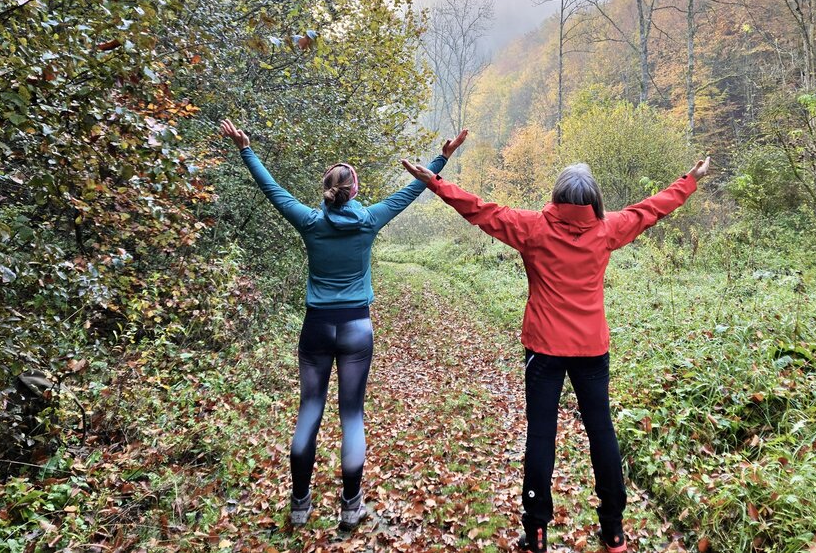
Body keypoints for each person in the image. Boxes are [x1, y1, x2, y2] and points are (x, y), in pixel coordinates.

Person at [401, 156, 712, 552]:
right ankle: (614, 530)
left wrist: (435, 181)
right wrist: (690, 180)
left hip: (544, 347)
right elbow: (650, 210)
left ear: (557, 194)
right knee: (601, 431)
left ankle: (536, 532)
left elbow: (478, 210)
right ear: (594, 199)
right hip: (591, 347)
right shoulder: (607, 228)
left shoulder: (532, 227)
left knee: (541, 434)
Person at [220, 119, 467, 530]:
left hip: (316, 327)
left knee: (309, 410)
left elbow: (272, 189)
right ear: (354, 191)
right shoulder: (369, 219)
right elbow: (413, 189)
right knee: (352, 415)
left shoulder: (309, 221)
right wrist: (441, 157)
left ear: (327, 191)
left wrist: (246, 149)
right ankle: (351, 507)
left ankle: (300, 505)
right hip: (356, 329)